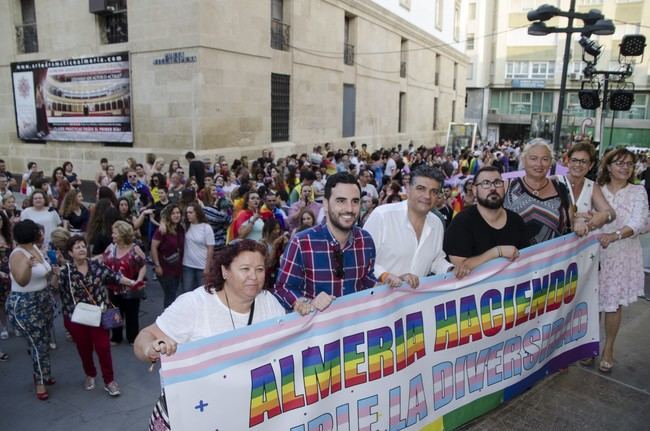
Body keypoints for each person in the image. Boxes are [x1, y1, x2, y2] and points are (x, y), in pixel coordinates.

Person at [134, 239, 286, 431]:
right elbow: (144, 337)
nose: (253, 277)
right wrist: (151, 348)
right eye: (245, 269)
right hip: (190, 415)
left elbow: (289, 346)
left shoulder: (269, 302)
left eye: (259, 270)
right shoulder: (195, 304)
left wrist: (311, 311)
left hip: (242, 414)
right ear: (225, 271)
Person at [274, 172, 377, 315]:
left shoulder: (366, 241)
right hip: (318, 333)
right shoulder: (302, 243)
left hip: (355, 330)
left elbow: (367, 280)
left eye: (355, 201)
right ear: (326, 204)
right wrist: (305, 302)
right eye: (341, 201)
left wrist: (389, 284)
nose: (349, 208)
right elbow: (283, 288)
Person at [58, 236, 138, 397]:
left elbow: (114, 276)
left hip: (99, 315)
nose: (81, 249)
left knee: (103, 348)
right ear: (70, 253)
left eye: (83, 246)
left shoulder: (96, 266)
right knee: (84, 349)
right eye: (77, 247)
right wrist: (54, 272)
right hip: (77, 317)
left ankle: (109, 381)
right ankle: (90, 374)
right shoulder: (65, 271)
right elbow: (56, 289)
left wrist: (131, 282)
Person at [595, 148, 649, 374]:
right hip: (595, 253)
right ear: (608, 166)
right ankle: (588, 346)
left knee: (613, 304)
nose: (625, 168)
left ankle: (608, 348)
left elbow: (639, 222)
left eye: (629, 164)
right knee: (592, 301)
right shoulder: (596, 190)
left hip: (622, 254)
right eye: (619, 163)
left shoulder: (638, 191)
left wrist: (614, 236)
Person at [364, 166, 452, 289]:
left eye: (434, 191)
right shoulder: (382, 216)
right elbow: (363, 258)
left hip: (414, 303)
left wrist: (450, 270)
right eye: (421, 189)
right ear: (407, 189)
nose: (427, 196)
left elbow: (436, 260)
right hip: (380, 299)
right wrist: (386, 276)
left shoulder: (437, 223)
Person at [443, 166, 528, 279]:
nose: (493, 188)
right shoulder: (461, 223)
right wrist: (497, 252)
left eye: (497, 183)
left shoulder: (516, 221)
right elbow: (459, 269)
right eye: (486, 183)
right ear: (474, 189)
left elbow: (527, 261)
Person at [6, 220, 56, 400]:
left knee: (43, 340)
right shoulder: (17, 254)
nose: (42, 234)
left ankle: (45, 374)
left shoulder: (35, 248)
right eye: (38, 231)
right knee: (37, 344)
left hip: (42, 299)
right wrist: (27, 265)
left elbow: (44, 271)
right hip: (26, 304)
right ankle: (40, 382)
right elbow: (21, 280)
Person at [504, 138, 572, 245]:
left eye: (545, 159)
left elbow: (571, 223)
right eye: (533, 158)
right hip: (513, 259)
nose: (539, 164)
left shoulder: (561, 189)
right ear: (523, 160)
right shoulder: (507, 187)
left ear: (551, 162)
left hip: (553, 259)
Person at [556, 142, 616, 236]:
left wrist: (604, 216)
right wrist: (576, 218)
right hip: (556, 244)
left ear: (590, 165)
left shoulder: (592, 186)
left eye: (584, 161)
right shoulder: (555, 181)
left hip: (581, 246)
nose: (578, 164)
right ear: (568, 161)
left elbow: (611, 213)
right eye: (574, 160)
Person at [102, 221, 146, 345]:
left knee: (132, 313)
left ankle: (132, 337)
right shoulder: (111, 248)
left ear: (122, 234)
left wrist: (139, 280)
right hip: (112, 286)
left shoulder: (134, 248)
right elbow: (103, 263)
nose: (112, 235)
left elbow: (143, 265)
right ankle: (115, 337)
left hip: (131, 287)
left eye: (114, 233)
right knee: (113, 311)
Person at [151, 205, 185, 308]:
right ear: (169, 215)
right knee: (170, 296)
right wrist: (157, 265)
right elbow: (153, 247)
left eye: (178, 213)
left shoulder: (180, 228)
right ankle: (167, 319)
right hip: (165, 268)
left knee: (172, 294)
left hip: (177, 268)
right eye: (173, 213)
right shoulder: (162, 230)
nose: (176, 215)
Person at [181, 203, 214, 292]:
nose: (188, 214)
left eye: (191, 212)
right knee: (187, 292)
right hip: (187, 265)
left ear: (197, 213)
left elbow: (210, 249)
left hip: (202, 265)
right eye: (187, 213)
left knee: (201, 293)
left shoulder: (206, 227)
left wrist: (207, 267)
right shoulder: (185, 226)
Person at [0, 211, 13, 342]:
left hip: (10, 273)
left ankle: (15, 323)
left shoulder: (8, 237)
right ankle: (4, 327)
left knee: (13, 300)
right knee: (1, 304)